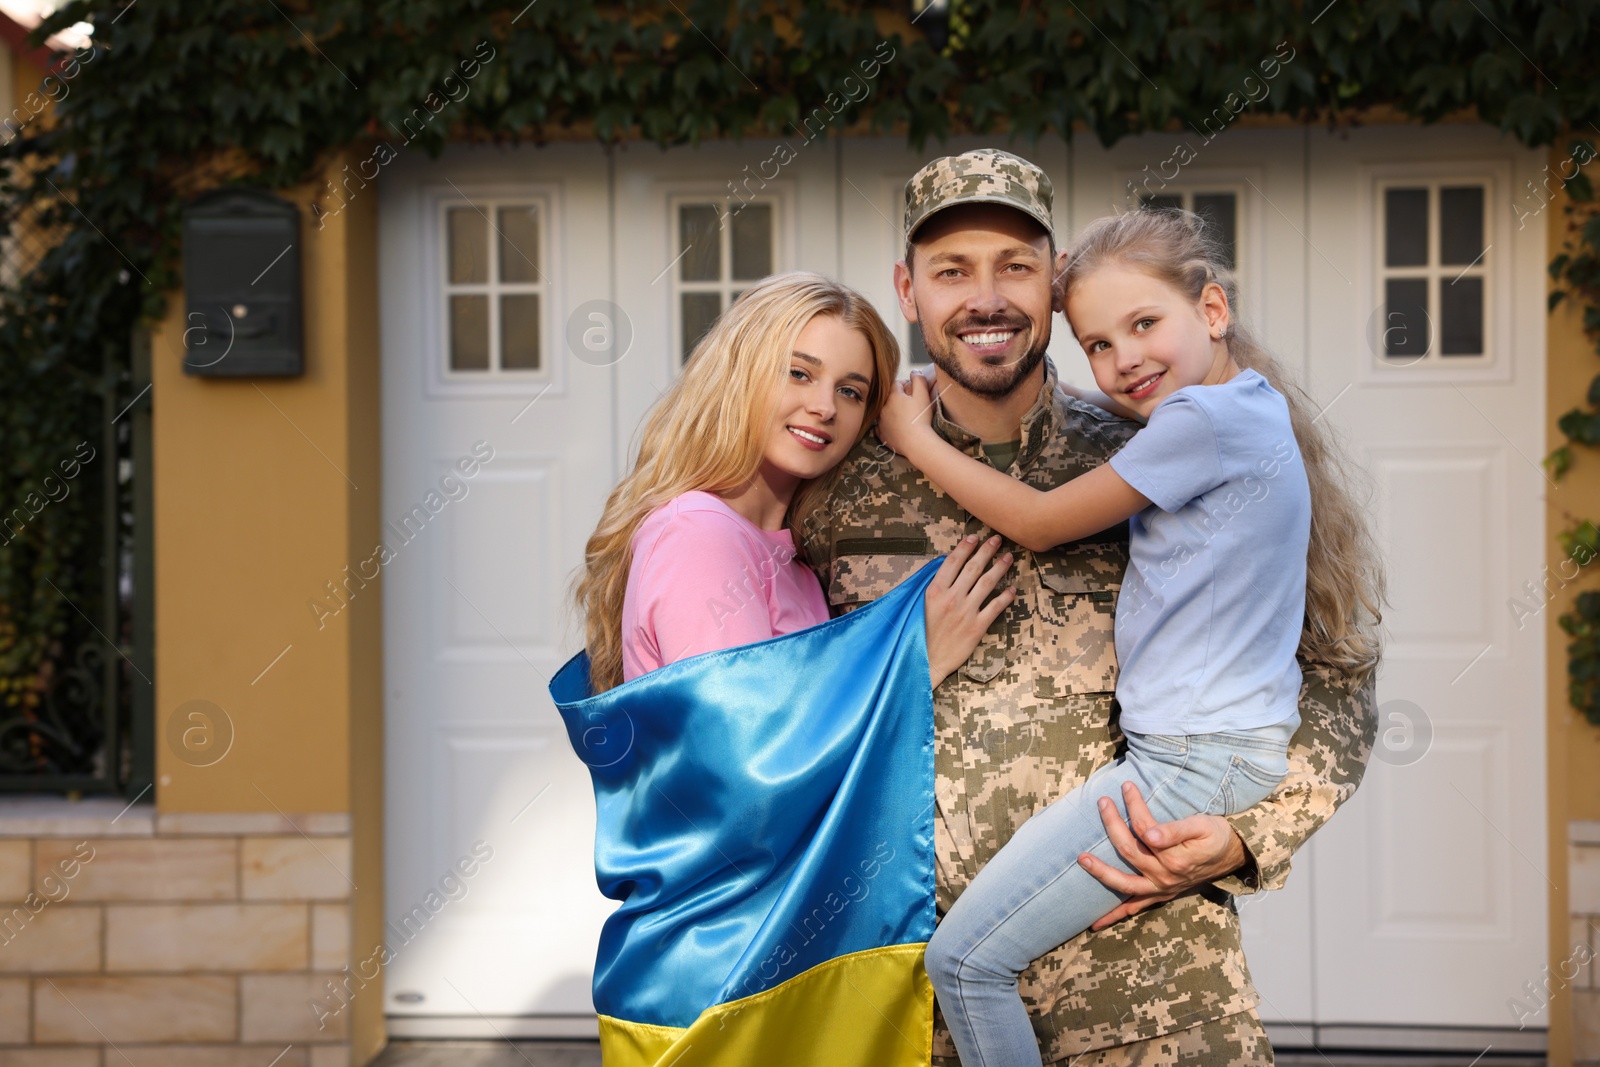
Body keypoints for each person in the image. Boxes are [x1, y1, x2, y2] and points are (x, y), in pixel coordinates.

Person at [797, 148, 1383, 1065]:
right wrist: (895, 667)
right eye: (953, 271)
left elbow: (1339, 673)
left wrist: (1246, 834)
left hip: (1157, 1007)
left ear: (1054, 283)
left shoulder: (1156, 446)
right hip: (926, 1020)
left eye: (1016, 266)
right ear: (909, 291)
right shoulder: (839, 493)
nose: (985, 297)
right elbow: (752, 712)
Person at [573, 267, 1014, 701]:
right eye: (799, 373)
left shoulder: (792, 560)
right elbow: (750, 755)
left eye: (850, 392)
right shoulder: (700, 535)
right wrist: (923, 661)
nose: (824, 407)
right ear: (738, 376)